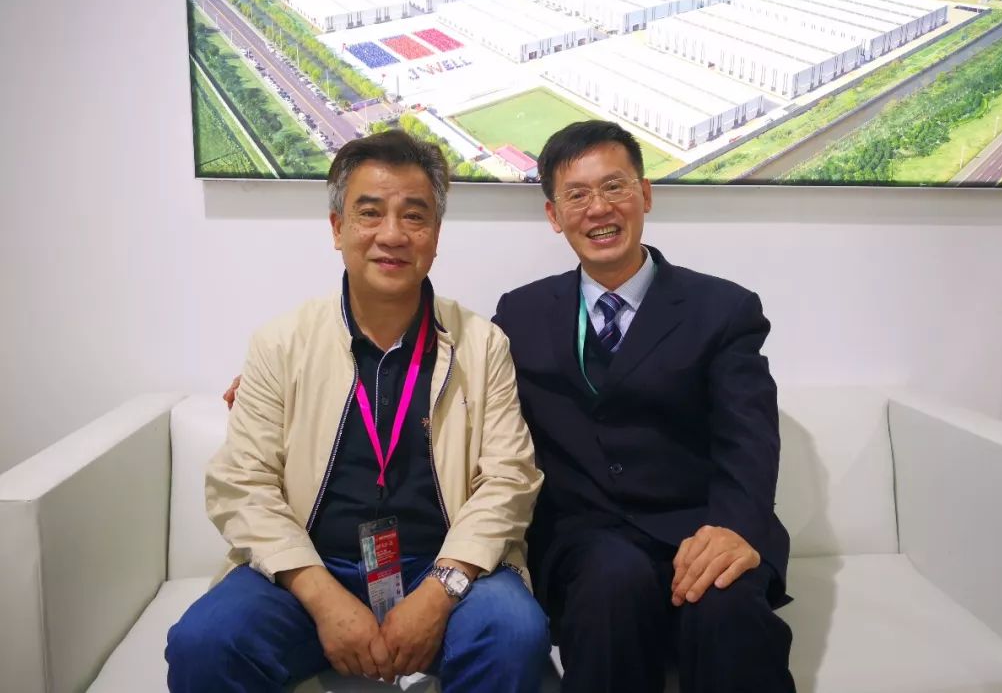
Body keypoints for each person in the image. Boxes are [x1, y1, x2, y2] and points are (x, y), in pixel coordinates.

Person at [168, 130, 549, 693]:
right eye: (369, 213)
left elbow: (509, 480)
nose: (392, 235)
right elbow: (243, 485)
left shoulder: (482, 344)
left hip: (443, 563)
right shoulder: (281, 343)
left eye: (414, 216)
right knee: (205, 642)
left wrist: (438, 592)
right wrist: (323, 598)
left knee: (514, 632)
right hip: (312, 564)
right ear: (337, 228)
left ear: (436, 235)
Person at [491, 120, 795, 693]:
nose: (598, 209)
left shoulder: (722, 309)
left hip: (702, 524)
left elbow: (749, 439)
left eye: (614, 187)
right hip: (586, 539)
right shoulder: (521, 314)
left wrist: (733, 528)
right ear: (554, 215)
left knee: (726, 607)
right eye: (577, 195)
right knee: (611, 585)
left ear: (646, 194)